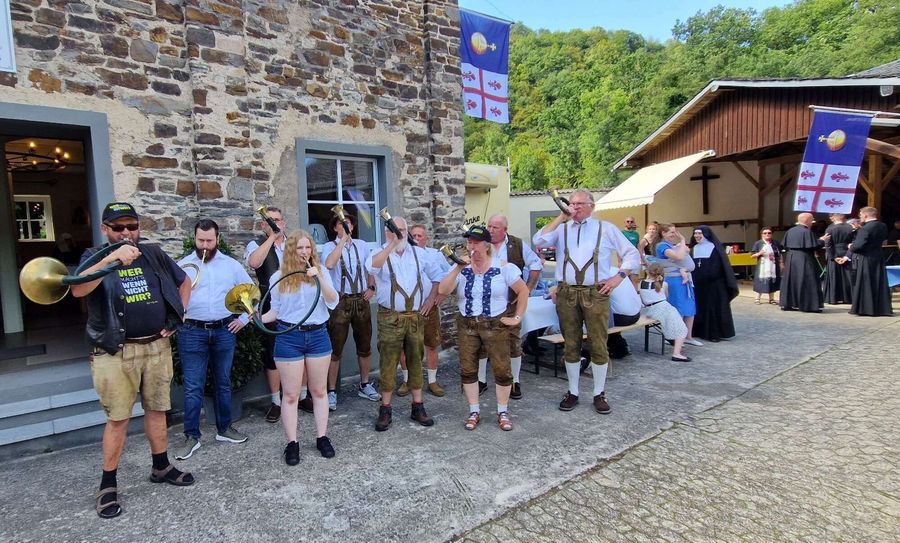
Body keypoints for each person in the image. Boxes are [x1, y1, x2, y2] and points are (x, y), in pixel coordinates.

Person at [71, 202, 193, 519]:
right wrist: (111, 259)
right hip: (115, 351)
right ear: (105, 229)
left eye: (132, 226)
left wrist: (177, 315)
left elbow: (184, 282)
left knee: (157, 410)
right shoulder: (94, 256)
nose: (127, 233)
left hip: (155, 346)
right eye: (119, 227)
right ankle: (107, 484)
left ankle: (161, 466)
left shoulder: (153, 252)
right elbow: (78, 289)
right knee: (118, 419)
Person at [533, 189, 640, 414]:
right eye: (572, 203)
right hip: (567, 293)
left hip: (596, 292)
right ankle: (573, 391)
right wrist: (562, 216)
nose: (575, 207)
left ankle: (598, 392)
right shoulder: (562, 229)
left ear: (592, 205)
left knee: (599, 342)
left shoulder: (606, 228)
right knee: (570, 342)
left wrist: (617, 278)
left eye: (580, 203)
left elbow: (632, 255)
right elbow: (538, 240)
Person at [174, 219, 252, 461]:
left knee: (223, 382)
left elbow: (250, 292)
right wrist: (178, 317)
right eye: (200, 240)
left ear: (218, 239)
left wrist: (243, 320)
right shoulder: (183, 265)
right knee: (193, 387)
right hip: (192, 331)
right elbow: (170, 297)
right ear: (194, 238)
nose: (204, 245)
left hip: (223, 330)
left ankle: (224, 429)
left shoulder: (231, 265)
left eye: (209, 240)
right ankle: (191, 437)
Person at [260, 230, 339, 464]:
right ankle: (292, 443)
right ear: (290, 251)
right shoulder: (278, 277)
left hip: (318, 336)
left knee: (319, 391)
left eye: (307, 248)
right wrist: (253, 318)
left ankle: (322, 437)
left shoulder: (321, 271)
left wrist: (319, 277)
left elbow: (333, 300)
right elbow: (276, 311)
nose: (304, 252)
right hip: (289, 337)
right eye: (299, 248)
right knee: (292, 394)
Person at [438, 225, 529, 431]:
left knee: (501, 369)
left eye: (476, 243)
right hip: (468, 325)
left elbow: (522, 291)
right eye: (469, 242)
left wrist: (516, 317)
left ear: (487, 245)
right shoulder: (462, 270)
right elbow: (443, 291)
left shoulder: (503, 267)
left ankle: (503, 411)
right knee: (468, 369)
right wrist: (459, 267)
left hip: (495, 324)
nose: (472, 247)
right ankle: (474, 410)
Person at [366, 216, 445, 431]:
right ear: (386, 232)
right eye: (393, 230)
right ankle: (385, 409)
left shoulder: (419, 253)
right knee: (388, 363)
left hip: (415, 317)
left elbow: (438, 276)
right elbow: (372, 268)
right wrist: (391, 243)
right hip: (389, 318)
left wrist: (431, 299)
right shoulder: (378, 252)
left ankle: (417, 406)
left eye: (401, 229)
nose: (398, 233)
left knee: (415, 361)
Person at [475, 214, 542, 400]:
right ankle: (481, 380)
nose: (490, 229)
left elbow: (536, 265)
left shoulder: (517, 245)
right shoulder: (481, 243)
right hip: (484, 302)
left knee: (513, 340)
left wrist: (527, 289)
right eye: (489, 226)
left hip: (510, 302)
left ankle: (515, 381)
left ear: (505, 229)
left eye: (495, 227)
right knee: (481, 341)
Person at [320, 213, 380, 411]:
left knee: (364, 345)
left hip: (361, 299)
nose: (345, 226)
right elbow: (329, 265)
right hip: (340, 301)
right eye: (340, 224)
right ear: (335, 228)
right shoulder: (329, 247)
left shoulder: (362, 245)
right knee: (335, 348)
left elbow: (371, 268)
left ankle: (364, 384)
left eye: (348, 223)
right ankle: (331, 391)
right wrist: (343, 241)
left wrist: (371, 288)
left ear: (353, 226)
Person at [244, 206, 290, 422]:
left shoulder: (293, 242)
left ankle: (302, 395)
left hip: (295, 303)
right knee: (272, 353)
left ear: (284, 222)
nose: (274, 223)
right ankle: (276, 401)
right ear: (263, 225)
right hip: (269, 303)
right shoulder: (256, 244)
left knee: (302, 348)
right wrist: (272, 238)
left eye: (277, 220)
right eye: (269, 220)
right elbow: (254, 263)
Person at [396, 224, 450, 397]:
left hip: (429, 307)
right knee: (405, 347)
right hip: (407, 308)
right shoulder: (402, 255)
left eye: (420, 236)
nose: (417, 238)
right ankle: (407, 380)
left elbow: (449, 276)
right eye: (414, 235)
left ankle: (433, 381)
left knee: (431, 344)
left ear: (426, 238)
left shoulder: (434, 255)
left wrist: (442, 295)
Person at [689, 226, 737, 342]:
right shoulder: (694, 248)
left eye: (699, 233)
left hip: (713, 285)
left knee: (712, 309)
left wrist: (704, 277)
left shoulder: (714, 248)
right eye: (695, 234)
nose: (697, 236)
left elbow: (716, 268)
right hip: (698, 285)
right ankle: (698, 331)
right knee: (698, 308)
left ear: (706, 234)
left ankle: (713, 333)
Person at [656, 224, 701, 346]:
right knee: (678, 308)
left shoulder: (672, 245)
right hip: (674, 280)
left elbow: (687, 251)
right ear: (663, 233)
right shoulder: (662, 246)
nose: (674, 235)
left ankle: (688, 336)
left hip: (685, 279)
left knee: (690, 308)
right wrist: (682, 240)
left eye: (675, 232)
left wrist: (681, 245)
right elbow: (679, 256)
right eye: (671, 232)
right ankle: (676, 336)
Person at [641, 263, 690, 362]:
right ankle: (677, 353)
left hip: (650, 310)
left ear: (648, 272)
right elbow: (666, 297)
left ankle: (671, 337)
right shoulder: (664, 284)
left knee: (671, 321)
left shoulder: (642, 283)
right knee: (682, 328)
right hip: (663, 307)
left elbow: (643, 300)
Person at [849, 207, 893, 316]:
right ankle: (881, 308)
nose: (860, 217)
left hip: (866, 257)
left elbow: (859, 246)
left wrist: (851, 246)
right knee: (879, 282)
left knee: (866, 283)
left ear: (865, 215)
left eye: (860, 215)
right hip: (878, 256)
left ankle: (866, 308)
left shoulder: (865, 228)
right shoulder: (883, 226)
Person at [781, 213, 826, 313]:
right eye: (811, 221)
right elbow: (813, 245)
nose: (812, 223)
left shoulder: (790, 231)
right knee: (807, 280)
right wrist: (822, 240)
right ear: (807, 220)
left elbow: (784, 245)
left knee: (791, 281)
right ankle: (808, 305)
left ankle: (789, 303)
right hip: (804, 257)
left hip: (791, 258)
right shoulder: (806, 232)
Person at [823, 214, 854, 305]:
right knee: (848, 276)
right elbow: (853, 243)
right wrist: (847, 255)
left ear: (835, 217)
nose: (830, 218)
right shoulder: (850, 227)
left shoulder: (830, 228)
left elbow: (827, 244)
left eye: (832, 217)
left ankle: (833, 298)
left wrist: (833, 257)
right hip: (847, 252)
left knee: (834, 276)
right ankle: (849, 298)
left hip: (834, 252)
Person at [750, 227, 782, 304]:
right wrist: (759, 253)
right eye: (765, 233)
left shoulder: (775, 243)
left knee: (772, 281)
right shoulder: (758, 243)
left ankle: (771, 299)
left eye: (769, 233)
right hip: (762, 266)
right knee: (760, 281)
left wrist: (782, 263)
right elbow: (752, 255)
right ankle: (757, 299)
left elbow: (780, 254)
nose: (767, 234)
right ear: (762, 235)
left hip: (773, 265)